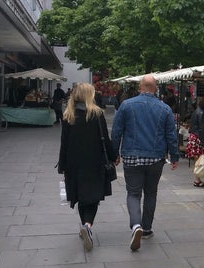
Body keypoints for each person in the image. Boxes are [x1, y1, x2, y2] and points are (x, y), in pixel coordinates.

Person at [111, 75, 179, 251]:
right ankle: (147, 228)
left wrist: (114, 154)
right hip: (155, 158)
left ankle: (136, 225)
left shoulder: (126, 105)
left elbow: (116, 132)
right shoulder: (165, 109)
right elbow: (171, 135)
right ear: (155, 89)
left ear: (140, 87)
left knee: (133, 193)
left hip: (132, 156)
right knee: (151, 193)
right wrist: (175, 156)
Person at [58, 83, 117, 251]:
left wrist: (62, 165)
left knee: (81, 196)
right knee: (93, 196)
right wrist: (113, 157)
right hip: (95, 163)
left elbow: (64, 143)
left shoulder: (69, 115)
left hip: (74, 164)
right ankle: (87, 225)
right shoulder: (97, 114)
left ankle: (84, 225)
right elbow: (105, 138)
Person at [186, 97, 204, 188]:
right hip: (199, 138)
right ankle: (197, 180)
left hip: (194, 137)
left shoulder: (196, 111)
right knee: (199, 160)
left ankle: (197, 179)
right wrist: (203, 144)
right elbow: (202, 129)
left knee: (197, 159)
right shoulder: (202, 114)